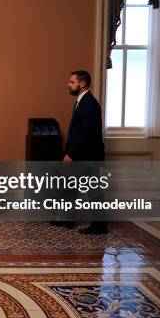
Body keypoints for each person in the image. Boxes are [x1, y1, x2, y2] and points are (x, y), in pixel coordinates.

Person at [63, 70, 107, 234]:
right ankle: (68, 220)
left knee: (94, 191)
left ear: (82, 84)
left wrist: (71, 154)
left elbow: (85, 133)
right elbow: (77, 131)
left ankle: (100, 226)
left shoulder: (90, 104)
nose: (69, 85)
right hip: (81, 154)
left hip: (89, 155)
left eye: (72, 82)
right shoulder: (81, 101)